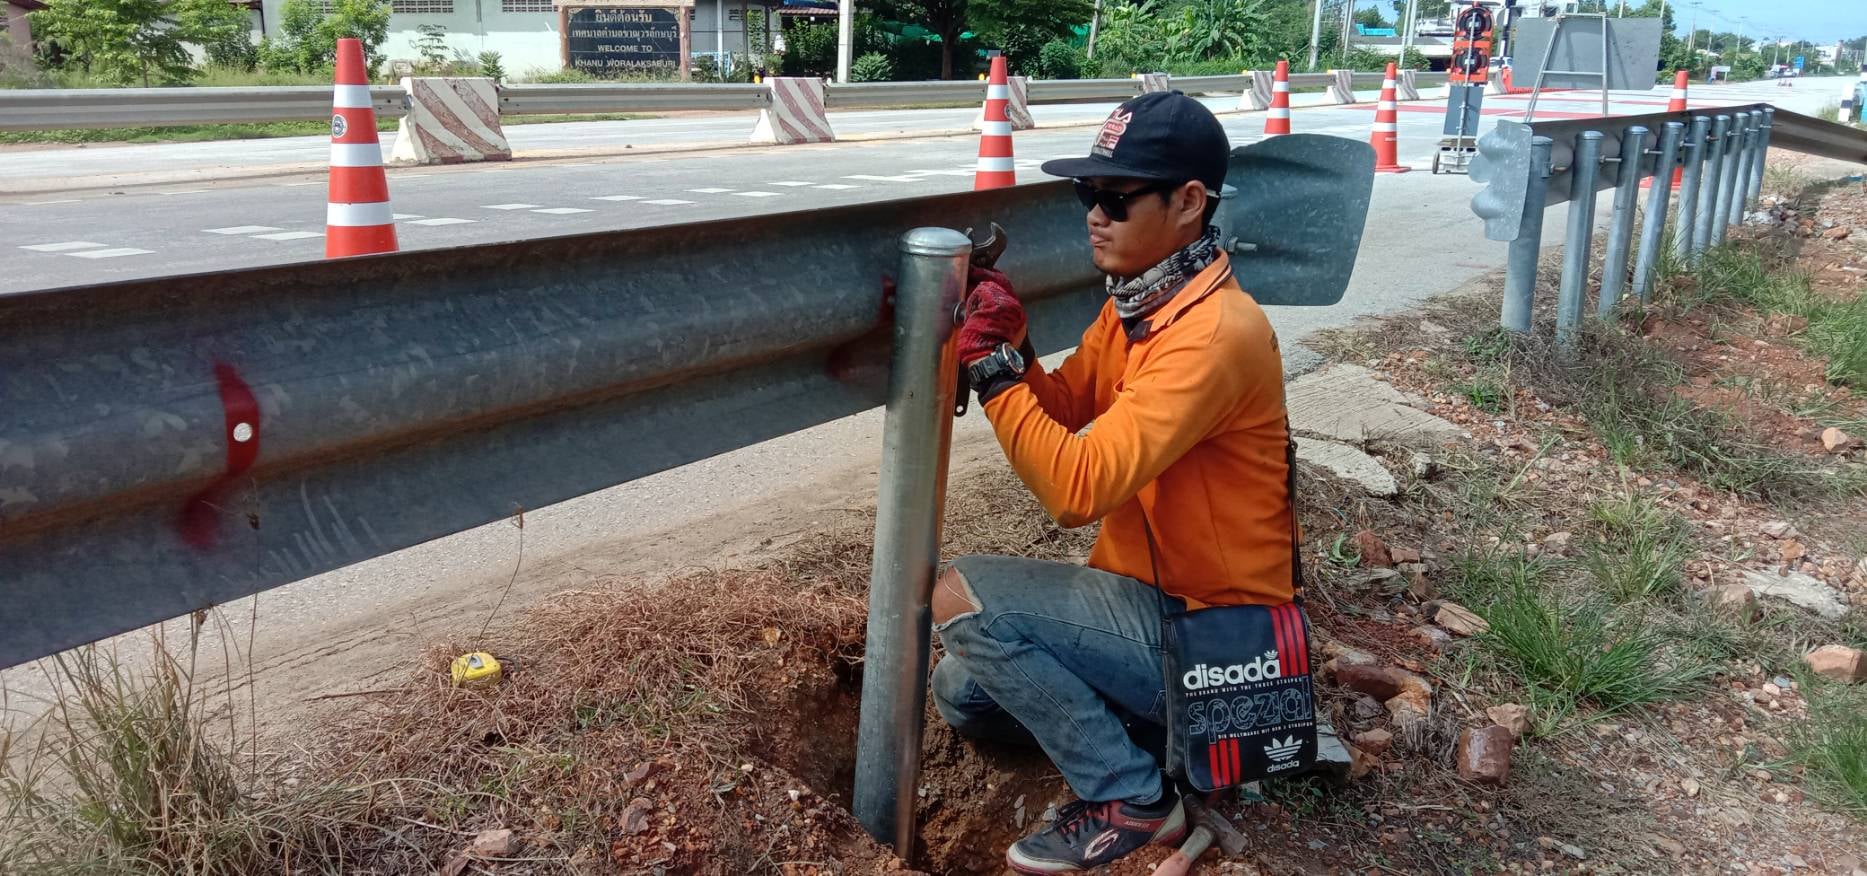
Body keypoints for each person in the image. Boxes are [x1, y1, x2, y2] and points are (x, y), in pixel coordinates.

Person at [931, 91, 1298, 874]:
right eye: (1086, 195)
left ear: (1188, 202)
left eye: (1116, 198)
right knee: (962, 691)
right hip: (1154, 613)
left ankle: (1132, 797)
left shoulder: (1214, 333)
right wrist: (1016, 347)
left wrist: (991, 370)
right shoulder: (1144, 303)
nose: (1095, 216)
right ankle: (1159, 741)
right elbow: (1064, 408)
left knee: (963, 597)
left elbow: (1075, 491)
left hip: (1218, 647)